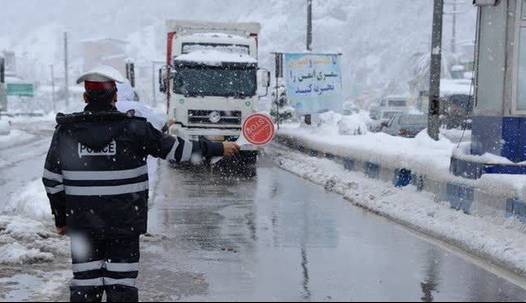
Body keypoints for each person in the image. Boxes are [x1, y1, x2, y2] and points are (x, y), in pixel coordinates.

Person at [41, 65, 240, 302]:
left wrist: (62, 219)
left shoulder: (66, 132)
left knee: (85, 286)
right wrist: (217, 147)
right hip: (124, 225)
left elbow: (52, 179)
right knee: (122, 286)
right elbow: (176, 150)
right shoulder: (135, 129)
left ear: (85, 97)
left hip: (83, 225)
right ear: (115, 96)